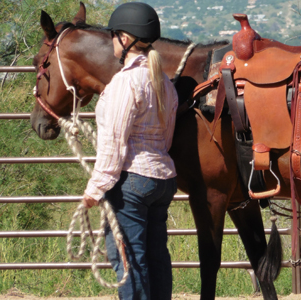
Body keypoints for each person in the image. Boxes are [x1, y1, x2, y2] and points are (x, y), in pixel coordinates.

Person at [82, 2, 178, 300]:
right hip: (161, 179)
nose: (112, 40)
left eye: (113, 35)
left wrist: (96, 188)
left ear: (125, 39)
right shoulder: (163, 81)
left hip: (132, 183)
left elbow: (114, 142)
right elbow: (167, 137)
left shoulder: (125, 83)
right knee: (155, 256)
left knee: (129, 259)